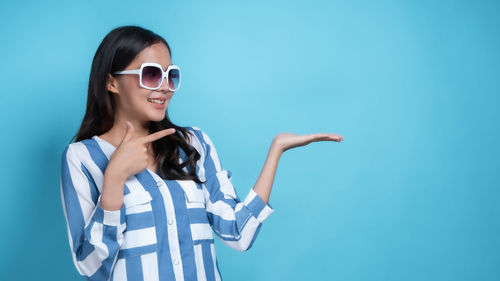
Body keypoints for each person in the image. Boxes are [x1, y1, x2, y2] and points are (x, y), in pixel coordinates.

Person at [60, 25, 344, 281]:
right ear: (112, 82)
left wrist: (276, 150)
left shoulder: (193, 144)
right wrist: (114, 178)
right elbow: (92, 268)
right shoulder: (82, 158)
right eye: (151, 74)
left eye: (171, 75)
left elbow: (238, 233)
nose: (165, 87)